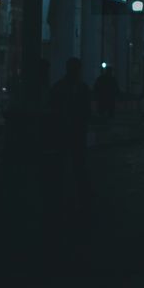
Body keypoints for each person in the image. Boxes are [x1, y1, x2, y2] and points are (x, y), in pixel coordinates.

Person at [48, 57, 93, 219]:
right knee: (76, 164)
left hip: (68, 130)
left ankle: (66, 197)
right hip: (72, 130)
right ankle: (75, 198)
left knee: (70, 163)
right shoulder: (81, 88)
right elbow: (87, 110)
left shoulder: (60, 87)